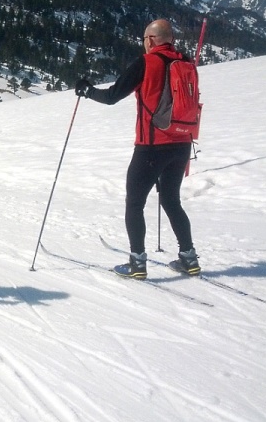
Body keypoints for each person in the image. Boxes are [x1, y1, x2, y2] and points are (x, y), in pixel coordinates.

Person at [74, 18, 199, 279]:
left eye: (144, 39)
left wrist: (87, 90)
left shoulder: (147, 62)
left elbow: (111, 97)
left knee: (134, 203)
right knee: (171, 200)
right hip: (183, 143)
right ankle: (189, 258)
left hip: (152, 147)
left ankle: (137, 264)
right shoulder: (186, 63)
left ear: (152, 40)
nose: (143, 44)